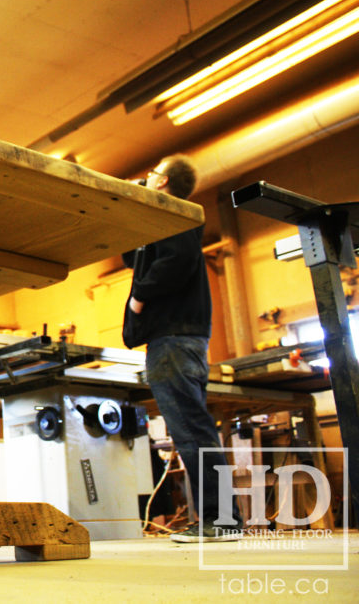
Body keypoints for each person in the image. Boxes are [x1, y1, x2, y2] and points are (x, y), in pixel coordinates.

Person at [122, 154, 238, 543]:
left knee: (192, 430)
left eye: (152, 172)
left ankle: (220, 520)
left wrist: (139, 297)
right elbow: (135, 257)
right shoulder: (164, 221)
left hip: (173, 339)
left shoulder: (173, 214)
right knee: (194, 428)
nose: (146, 175)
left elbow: (177, 260)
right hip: (177, 338)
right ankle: (220, 518)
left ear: (164, 181)